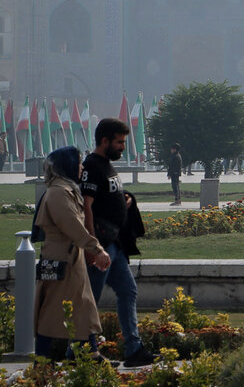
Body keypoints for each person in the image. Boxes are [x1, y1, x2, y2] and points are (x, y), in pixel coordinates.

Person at [82, 117, 154, 368]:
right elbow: (86, 207)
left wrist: (124, 202)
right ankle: (83, 353)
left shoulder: (105, 166)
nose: (123, 147)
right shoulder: (92, 166)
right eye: (120, 142)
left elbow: (106, 196)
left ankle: (134, 350)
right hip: (101, 245)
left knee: (128, 290)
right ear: (105, 141)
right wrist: (93, 246)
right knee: (90, 298)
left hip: (115, 244)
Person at [33, 146, 111, 361]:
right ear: (67, 165)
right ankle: (43, 360)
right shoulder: (59, 192)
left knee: (82, 305)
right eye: (77, 162)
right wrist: (97, 249)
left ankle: (90, 353)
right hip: (61, 259)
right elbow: (73, 226)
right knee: (52, 313)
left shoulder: (65, 189)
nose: (82, 166)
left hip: (69, 257)